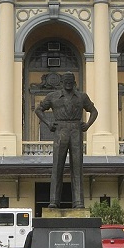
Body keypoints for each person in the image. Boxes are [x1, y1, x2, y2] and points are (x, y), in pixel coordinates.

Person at [35, 72, 98, 209]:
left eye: (71, 81)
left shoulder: (82, 96)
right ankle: (54, 201)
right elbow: (39, 110)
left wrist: (87, 125)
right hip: (60, 130)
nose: (68, 83)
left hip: (76, 130)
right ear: (62, 82)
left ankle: (78, 202)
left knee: (77, 167)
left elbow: (94, 111)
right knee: (57, 166)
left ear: (74, 82)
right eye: (66, 81)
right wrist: (48, 123)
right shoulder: (53, 96)